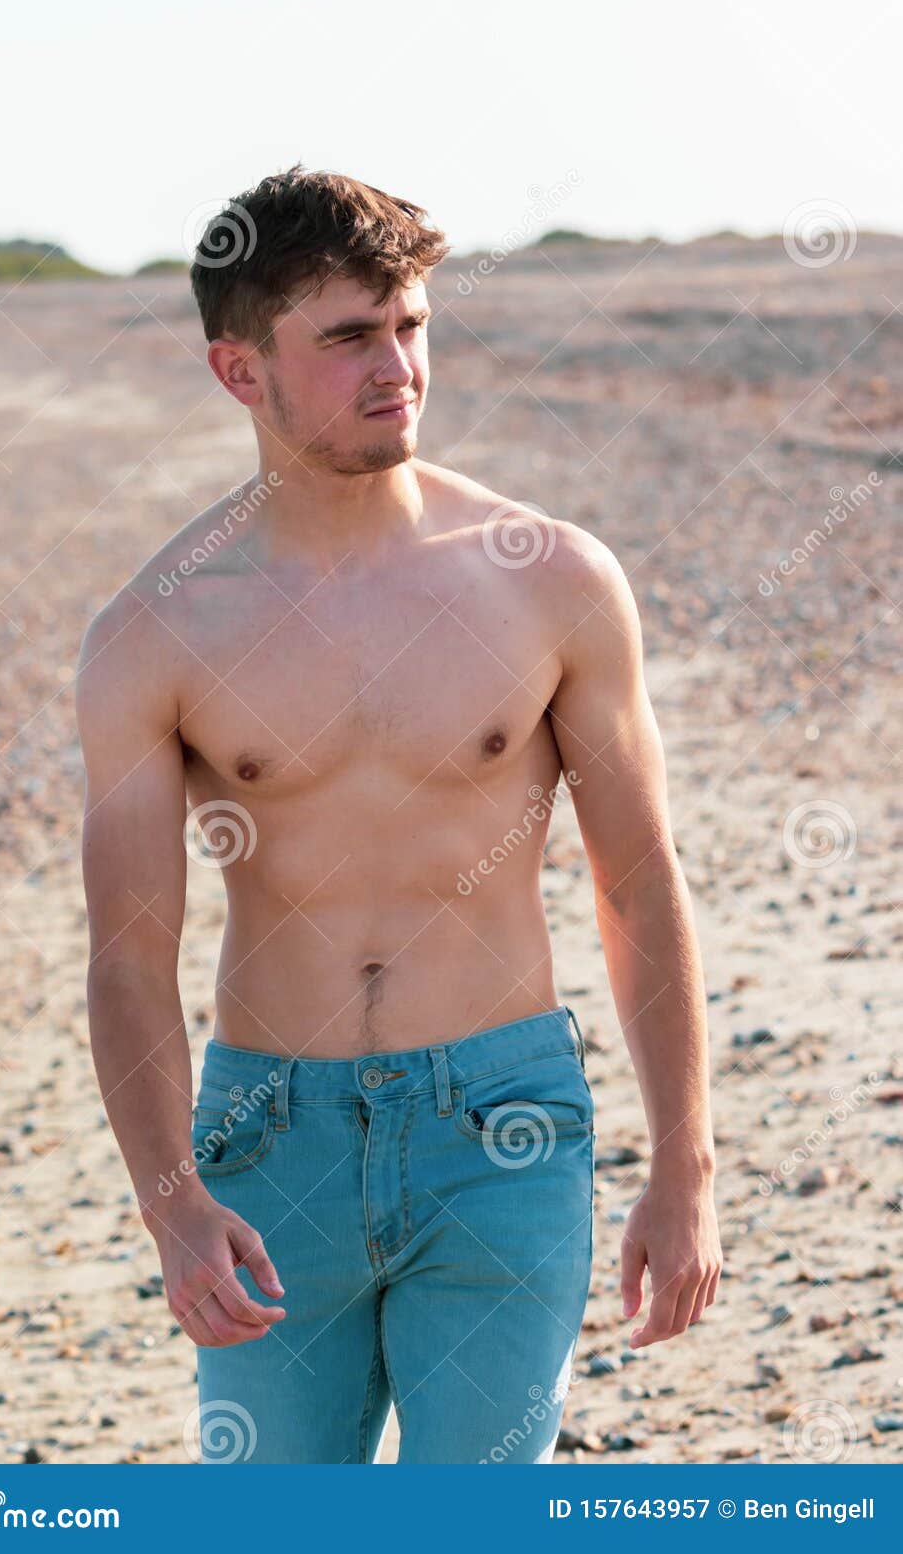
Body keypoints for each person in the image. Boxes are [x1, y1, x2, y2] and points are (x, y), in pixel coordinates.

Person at [75, 164, 722, 1464]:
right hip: (270, 1136)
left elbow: (638, 879)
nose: (399, 367)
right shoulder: (157, 631)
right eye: (350, 336)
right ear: (238, 369)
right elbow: (129, 954)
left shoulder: (548, 580)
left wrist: (685, 1169)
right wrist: (173, 1204)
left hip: (503, 1120)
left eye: (413, 326)